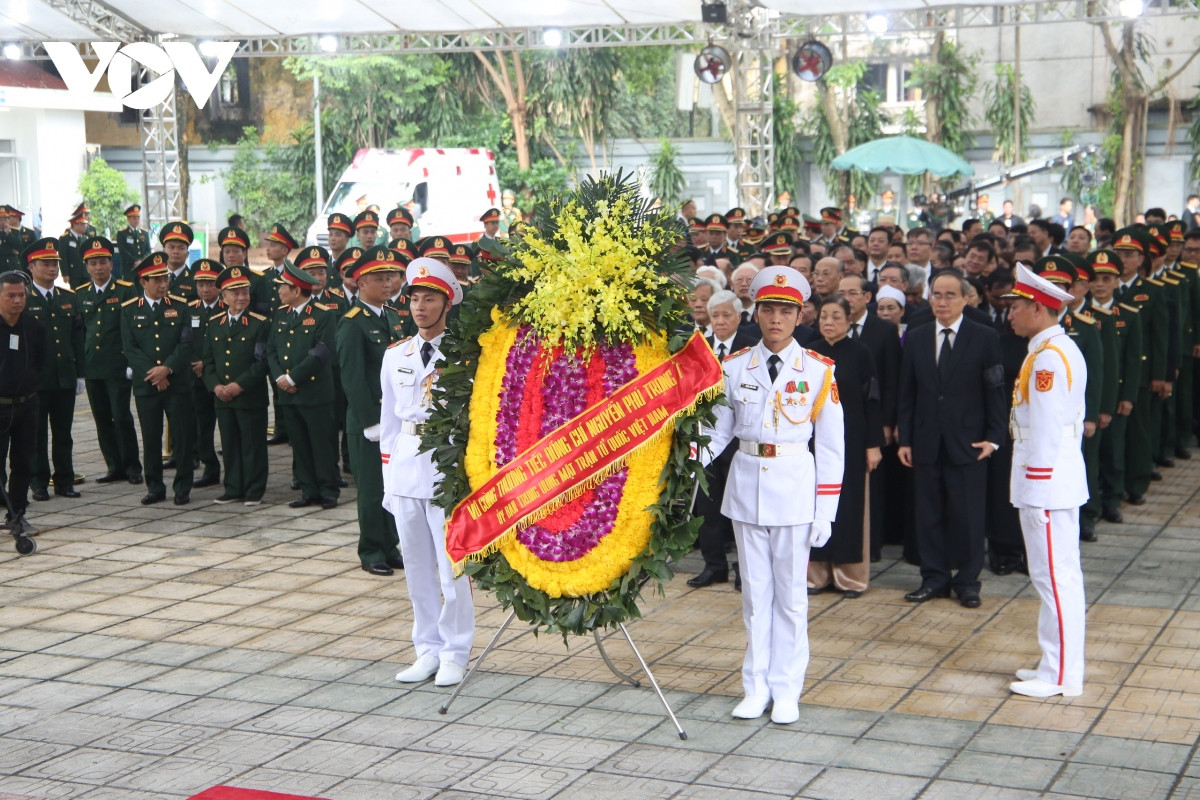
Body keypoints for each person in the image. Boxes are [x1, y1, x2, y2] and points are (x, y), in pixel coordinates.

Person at [702, 266, 844, 725]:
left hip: (795, 490)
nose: (776, 319)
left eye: (786, 311)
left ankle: (786, 690)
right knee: (754, 598)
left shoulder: (820, 371)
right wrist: (683, 465)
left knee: (791, 599)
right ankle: (754, 686)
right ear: (756, 312)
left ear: (799, 315)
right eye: (768, 310)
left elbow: (831, 448)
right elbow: (718, 431)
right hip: (745, 487)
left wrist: (826, 511)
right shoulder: (735, 364)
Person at [383, 258, 475, 688]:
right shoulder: (394, 355)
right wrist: (387, 477)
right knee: (416, 566)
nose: (420, 307)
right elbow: (387, 420)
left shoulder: (463, 354)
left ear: (446, 303)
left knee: (451, 567)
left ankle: (456, 651)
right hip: (404, 465)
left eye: (430, 298)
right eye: (415, 298)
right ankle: (427, 649)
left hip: (446, 465)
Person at [897, 271, 1007, 608]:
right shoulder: (916, 337)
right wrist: (905, 438)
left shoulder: (985, 336)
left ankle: (968, 581)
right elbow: (907, 392)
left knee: (968, 515)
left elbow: (996, 391)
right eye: (936, 295)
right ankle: (934, 578)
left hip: (969, 443)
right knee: (928, 513)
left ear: (966, 299)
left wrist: (994, 436)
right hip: (926, 440)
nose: (941, 302)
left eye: (949, 295)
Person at [1004, 263, 1088, 698]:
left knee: (1056, 578)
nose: (1011, 314)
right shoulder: (1047, 351)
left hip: (1048, 481)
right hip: (1050, 477)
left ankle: (1062, 676)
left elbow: (1050, 428)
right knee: (1052, 576)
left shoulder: (1050, 357)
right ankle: (1052, 663)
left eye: (1016, 306)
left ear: (1038, 308)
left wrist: (1035, 486)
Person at [337, 246, 406, 576]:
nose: (387, 284)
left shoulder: (391, 316)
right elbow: (351, 378)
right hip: (370, 422)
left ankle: (390, 545)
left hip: (395, 419)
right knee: (371, 489)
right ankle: (371, 551)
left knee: (392, 485)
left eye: (390, 278)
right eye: (379, 279)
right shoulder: (353, 323)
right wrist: (368, 421)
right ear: (361, 283)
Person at [807, 296, 883, 597]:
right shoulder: (809, 353)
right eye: (824, 316)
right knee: (816, 504)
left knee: (850, 507)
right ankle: (817, 575)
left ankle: (850, 577)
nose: (828, 322)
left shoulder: (860, 353)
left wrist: (873, 445)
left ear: (849, 321)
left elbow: (872, 401)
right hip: (814, 442)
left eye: (836, 316)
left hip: (852, 441)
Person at [689, 289, 757, 589]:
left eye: (726, 315)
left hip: (739, 439)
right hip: (706, 438)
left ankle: (745, 570)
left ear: (739, 318)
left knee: (742, 509)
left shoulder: (751, 348)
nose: (719, 321)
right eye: (714, 315)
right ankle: (713, 565)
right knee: (707, 505)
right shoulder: (699, 346)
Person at [122, 252, 196, 506]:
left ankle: (183, 486)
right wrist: (155, 373)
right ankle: (155, 486)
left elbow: (186, 344)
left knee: (182, 437)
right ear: (143, 282)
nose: (163, 284)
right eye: (156, 280)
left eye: (164, 278)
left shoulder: (180, 306)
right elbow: (130, 348)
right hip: (147, 385)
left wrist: (167, 369)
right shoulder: (130, 310)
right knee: (151, 437)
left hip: (177, 383)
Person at [267, 264, 340, 510]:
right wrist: (280, 378)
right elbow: (272, 350)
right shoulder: (281, 314)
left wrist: (292, 379)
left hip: (314, 392)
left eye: (283, 288)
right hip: (287, 393)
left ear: (296, 290)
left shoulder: (323, 314)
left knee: (321, 444)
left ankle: (328, 490)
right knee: (299, 445)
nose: (279, 293)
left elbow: (320, 353)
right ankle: (309, 490)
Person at [201, 267, 270, 506]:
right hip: (223, 397)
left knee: (252, 444)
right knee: (229, 444)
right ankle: (233, 487)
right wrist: (216, 387)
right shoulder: (214, 324)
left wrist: (239, 385)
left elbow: (262, 362)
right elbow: (208, 361)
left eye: (245, 292)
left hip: (249, 395)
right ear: (224, 297)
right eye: (236, 292)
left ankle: (253, 489)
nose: (242, 297)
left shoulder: (259, 323)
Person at [22, 238, 85, 502]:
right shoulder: (23, 298)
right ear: (32, 266)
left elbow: (77, 338)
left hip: (64, 377)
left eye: (54, 264)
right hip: (37, 379)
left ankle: (64, 480)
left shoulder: (68, 297)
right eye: (45, 264)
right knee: (37, 434)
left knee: (63, 434)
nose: (51, 269)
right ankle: (39, 482)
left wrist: (80, 373)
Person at [75, 237, 142, 485]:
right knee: (102, 418)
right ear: (87, 267)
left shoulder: (125, 290)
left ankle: (133, 466)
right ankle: (114, 466)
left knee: (121, 416)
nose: (99, 268)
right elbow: (80, 332)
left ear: (111, 264)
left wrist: (131, 362)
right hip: (93, 366)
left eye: (103, 262)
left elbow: (134, 327)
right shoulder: (81, 294)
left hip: (118, 366)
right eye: (93, 263)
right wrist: (80, 369)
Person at [0, 270, 46, 533]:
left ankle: (17, 513)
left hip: (26, 405)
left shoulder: (34, 327)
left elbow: (41, 362)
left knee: (23, 461)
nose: (17, 301)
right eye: (11, 296)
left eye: (21, 295)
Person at [188, 261, 226, 490]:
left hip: (221, 376)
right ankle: (209, 467)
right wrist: (195, 364)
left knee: (227, 425)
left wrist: (207, 364)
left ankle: (234, 468)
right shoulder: (190, 309)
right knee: (202, 425)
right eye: (201, 284)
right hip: (196, 378)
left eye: (210, 284)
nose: (205, 289)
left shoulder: (226, 308)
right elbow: (185, 340)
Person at [116, 204, 150, 280]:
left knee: (142, 290)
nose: (136, 220)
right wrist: (135, 261)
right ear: (128, 218)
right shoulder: (122, 233)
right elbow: (123, 251)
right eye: (134, 218)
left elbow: (148, 250)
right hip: (129, 269)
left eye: (138, 217)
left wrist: (141, 261)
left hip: (142, 268)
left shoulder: (144, 233)